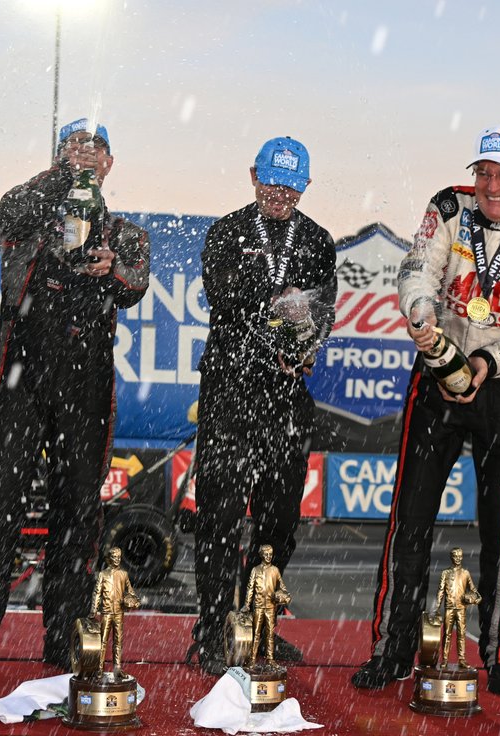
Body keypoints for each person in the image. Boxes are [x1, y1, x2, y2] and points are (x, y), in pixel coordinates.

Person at [353, 124, 500, 695]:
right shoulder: (448, 206)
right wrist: (421, 316)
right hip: (436, 373)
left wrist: (491, 362)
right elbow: (416, 268)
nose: (493, 185)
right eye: (485, 172)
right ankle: (394, 647)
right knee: (409, 518)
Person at [0, 118, 150, 687]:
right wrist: (65, 180)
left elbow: (136, 284)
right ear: (59, 155)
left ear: (111, 164)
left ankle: (64, 648)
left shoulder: (125, 232)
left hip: (86, 383)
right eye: (76, 146)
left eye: (97, 149)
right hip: (19, 377)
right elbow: (9, 208)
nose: (87, 155)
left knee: (78, 518)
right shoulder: (33, 206)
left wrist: (111, 269)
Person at [188, 136, 337, 675]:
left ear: (305, 187)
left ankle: (261, 624)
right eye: (272, 182)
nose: (279, 195)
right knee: (219, 516)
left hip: (286, 395)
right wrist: (282, 305)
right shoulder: (228, 230)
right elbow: (227, 298)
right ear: (253, 174)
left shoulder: (318, 240)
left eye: (291, 187)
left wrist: (306, 341)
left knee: (279, 518)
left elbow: (324, 311)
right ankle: (209, 629)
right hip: (230, 390)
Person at [89, 546, 141, 677]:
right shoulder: (103, 574)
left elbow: (130, 591)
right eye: (114, 557)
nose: (117, 559)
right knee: (103, 641)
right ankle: (99, 668)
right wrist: (93, 610)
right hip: (106, 612)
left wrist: (135, 601)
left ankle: (117, 668)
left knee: (118, 641)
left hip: (119, 613)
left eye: (119, 557)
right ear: (109, 559)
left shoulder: (124, 574)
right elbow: (96, 593)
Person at [242, 544, 290, 669]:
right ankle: (252, 658)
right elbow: (250, 589)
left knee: (269, 634)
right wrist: (247, 604)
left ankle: (270, 659)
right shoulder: (255, 570)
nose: (268, 556)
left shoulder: (275, 570)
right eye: (266, 554)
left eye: (270, 554)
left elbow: (282, 587)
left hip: (270, 607)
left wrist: (283, 596)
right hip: (258, 606)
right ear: (262, 555)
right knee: (256, 633)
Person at [434, 547, 478, 668]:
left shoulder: (465, 573)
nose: (458, 558)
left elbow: (473, 590)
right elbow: (440, 591)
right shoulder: (445, 573)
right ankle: (445, 659)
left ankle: (462, 659)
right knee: (446, 634)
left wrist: (475, 599)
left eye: (460, 556)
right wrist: (437, 607)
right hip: (449, 608)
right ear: (451, 557)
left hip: (461, 608)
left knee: (461, 634)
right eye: (455, 556)